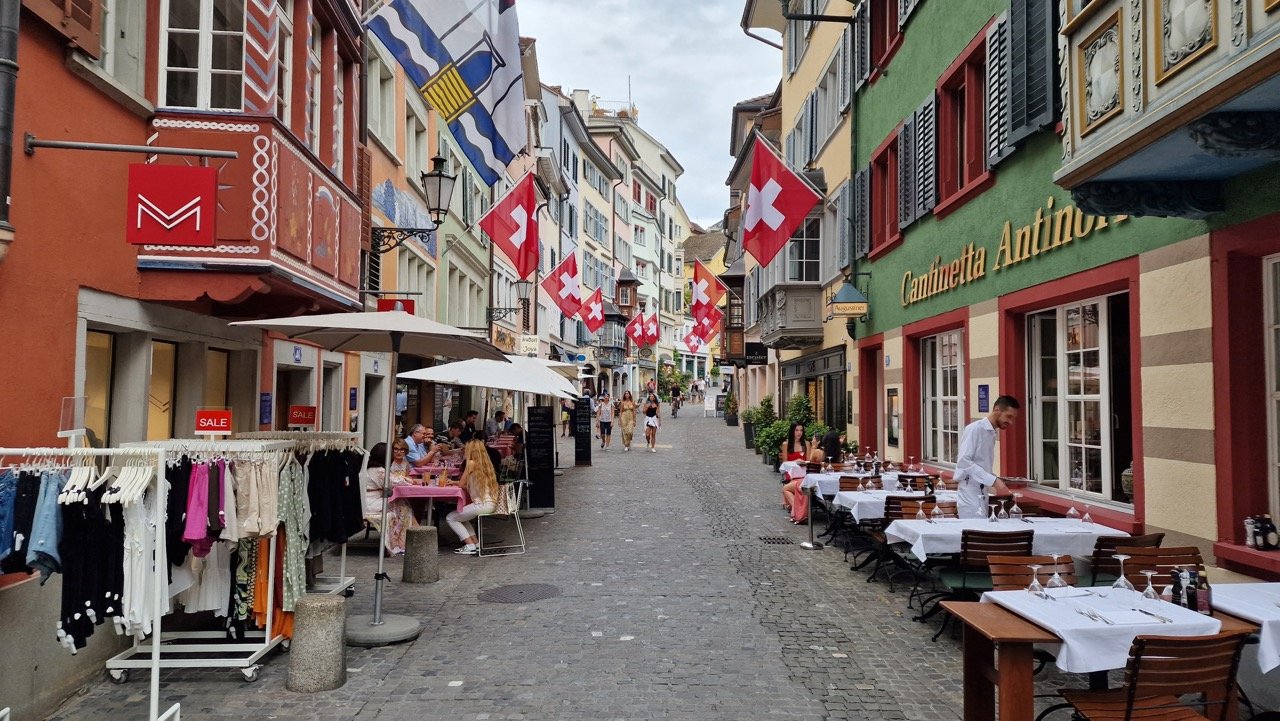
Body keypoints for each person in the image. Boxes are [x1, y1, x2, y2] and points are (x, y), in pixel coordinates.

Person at [953, 395, 1020, 519]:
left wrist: (995, 478)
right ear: (997, 410)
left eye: (1013, 418)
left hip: (982, 490)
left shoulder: (992, 432)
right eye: (1009, 416)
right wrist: (993, 481)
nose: (1011, 422)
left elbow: (981, 462)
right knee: (976, 532)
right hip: (969, 489)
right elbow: (963, 461)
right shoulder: (975, 429)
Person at [445, 440, 501, 555]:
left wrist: (456, 483)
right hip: (489, 503)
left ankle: (469, 545)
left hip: (481, 504)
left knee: (450, 517)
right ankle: (475, 543)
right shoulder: (485, 464)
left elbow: (461, 485)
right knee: (461, 517)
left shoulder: (470, 463)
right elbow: (467, 485)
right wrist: (454, 482)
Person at [362, 440, 416, 555]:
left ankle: (400, 541)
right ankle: (399, 542)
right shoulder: (378, 471)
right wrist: (409, 480)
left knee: (403, 505)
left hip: (370, 501)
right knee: (403, 507)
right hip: (371, 503)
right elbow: (394, 482)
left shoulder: (373, 469)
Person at [779, 423, 809, 513]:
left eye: (801, 430)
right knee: (791, 485)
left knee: (787, 489)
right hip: (791, 474)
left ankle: (796, 510)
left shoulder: (806, 444)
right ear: (792, 431)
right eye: (796, 430)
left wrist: (802, 462)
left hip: (804, 473)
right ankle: (799, 510)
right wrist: (795, 461)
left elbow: (809, 461)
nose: (799, 433)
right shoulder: (786, 444)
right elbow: (785, 463)